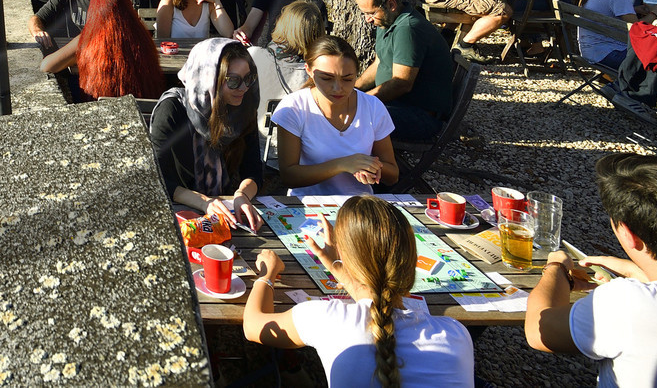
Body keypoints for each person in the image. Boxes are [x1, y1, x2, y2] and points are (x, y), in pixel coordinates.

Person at [524, 152, 657, 384]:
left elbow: (538, 329)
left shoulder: (629, 302)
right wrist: (638, 273)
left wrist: (557, 267)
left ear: (628, 235)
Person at [247, 196, 475, 387]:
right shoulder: (457, 335)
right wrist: (341, 268)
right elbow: (379, 304)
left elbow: (253, 326)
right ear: (410, 260)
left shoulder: (328, 319)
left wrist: (267, 275)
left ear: (347, 257)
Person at [148, 38, 266, 227]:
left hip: (224, 212)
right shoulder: (173, 110)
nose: (244, 88)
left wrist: (242, 194)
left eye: (248, 78)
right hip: (179, 210)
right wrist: (204, 202)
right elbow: (154, 178)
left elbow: (253, 171)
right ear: (208, 79)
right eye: (233, 80)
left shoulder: (244, 108)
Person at [270, 35, 398, 197]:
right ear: (308, 71)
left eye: (347, 79)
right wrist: (342, 164)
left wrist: (373, 167)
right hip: (307, 205)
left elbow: (393, 175)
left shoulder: (372, 106)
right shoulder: (293, 108)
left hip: (358, 206)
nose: (338, 88)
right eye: (327, 78)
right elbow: (289, 176)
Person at [353, 0, 455, 142]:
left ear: (391, 5)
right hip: (398, 105)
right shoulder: (386, 21)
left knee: (352, 121)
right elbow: (379, 63)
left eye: (371, 13)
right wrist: (353, 89)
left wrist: (363, 102)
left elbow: (402, 83)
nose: (367, 19)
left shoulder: (408, 28)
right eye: (364, 13)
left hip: (420, 116)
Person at [40, 0, 165, 99]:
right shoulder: (143, 37)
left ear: (95, 10)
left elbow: (46, 66)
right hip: (144, 112)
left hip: (102, 110)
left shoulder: (87, 40)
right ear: (127, 7)